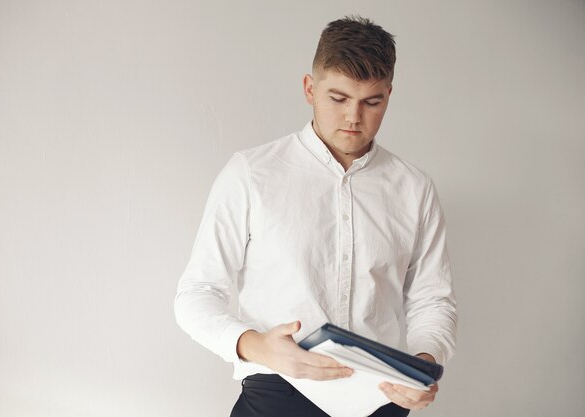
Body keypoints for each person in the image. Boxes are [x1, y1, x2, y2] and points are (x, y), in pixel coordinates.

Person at [174, 15, 457, 417]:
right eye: (338, 98)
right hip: (277, 393)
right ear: (310, 88)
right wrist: (256, 345)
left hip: (381, 400)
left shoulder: (415, 189)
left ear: (389, 96)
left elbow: (433, 300)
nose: (353, 118)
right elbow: (196, 294)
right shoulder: (251, 174)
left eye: (371, 102)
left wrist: (425, 364)